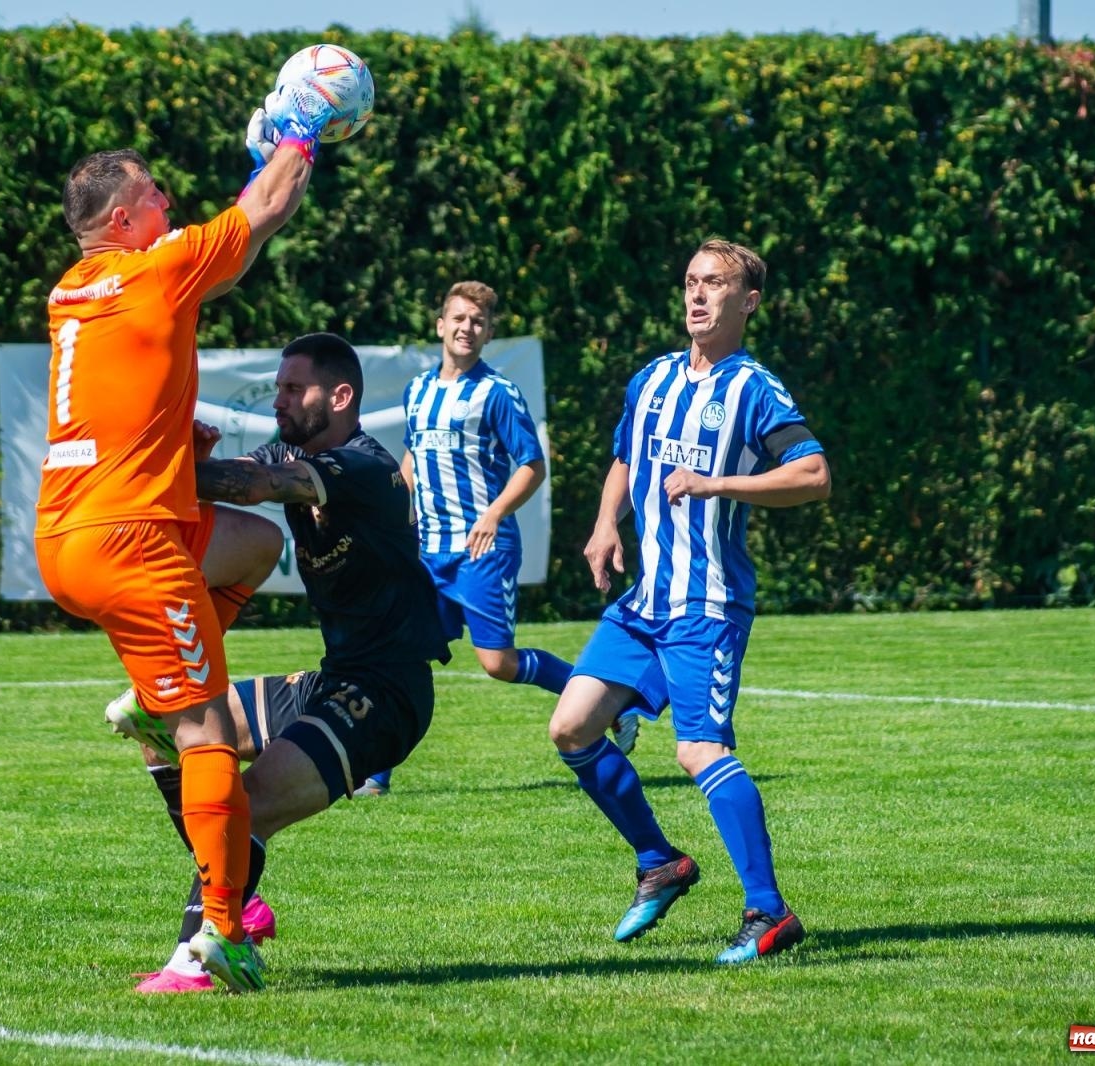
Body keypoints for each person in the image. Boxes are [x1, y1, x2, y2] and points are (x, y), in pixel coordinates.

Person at [33, 82, 336, 993]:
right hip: (132, 541)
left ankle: (151, 690)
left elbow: (130, 384)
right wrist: (304, 127)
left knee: (250, 544)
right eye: (158, 193)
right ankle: (219, 937)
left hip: (76, 535)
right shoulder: (156, 268)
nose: (171, 201)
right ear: (125, 218)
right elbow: (267, 206)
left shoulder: (73, 288)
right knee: (210, 731)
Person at [108, 332, 452, 993]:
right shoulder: (295, 447)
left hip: (388, 693)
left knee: (253, 801)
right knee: (165, 731)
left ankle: (198, 959)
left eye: (296, 389)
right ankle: (237, 895)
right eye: (279, 388)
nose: (281, 401)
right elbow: (235, 474)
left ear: (342, 396)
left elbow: (262, 484)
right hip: (330, 679)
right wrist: (177, 453)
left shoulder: (363, 469)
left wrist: (139, 473)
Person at [547, 239, 831, 965]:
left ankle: (770, 912)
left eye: (715, 284)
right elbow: (624, 458)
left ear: (749, 301)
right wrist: (606, 522)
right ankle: (660, 861)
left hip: (707, 602)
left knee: (699, 749)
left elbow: (813, 474)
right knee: (572, 727)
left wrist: (718, 484)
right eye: (691, 282)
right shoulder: (655, 377)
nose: (698, 296)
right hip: (645, 601)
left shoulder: (754, 388)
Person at [356, 282, 639, 799]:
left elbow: (532, 464)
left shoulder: (498, 392)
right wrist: (395, 511)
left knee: (498, 664)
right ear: (441, 325)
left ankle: (606, 700)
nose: (467, 328)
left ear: (488, 332)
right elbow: (414, 458)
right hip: (428, 552)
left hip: (483, 551)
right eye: (458, 318)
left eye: (478, 322)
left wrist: (493, 513)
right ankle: (376, 770)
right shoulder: (417, 391)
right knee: (398, 654)